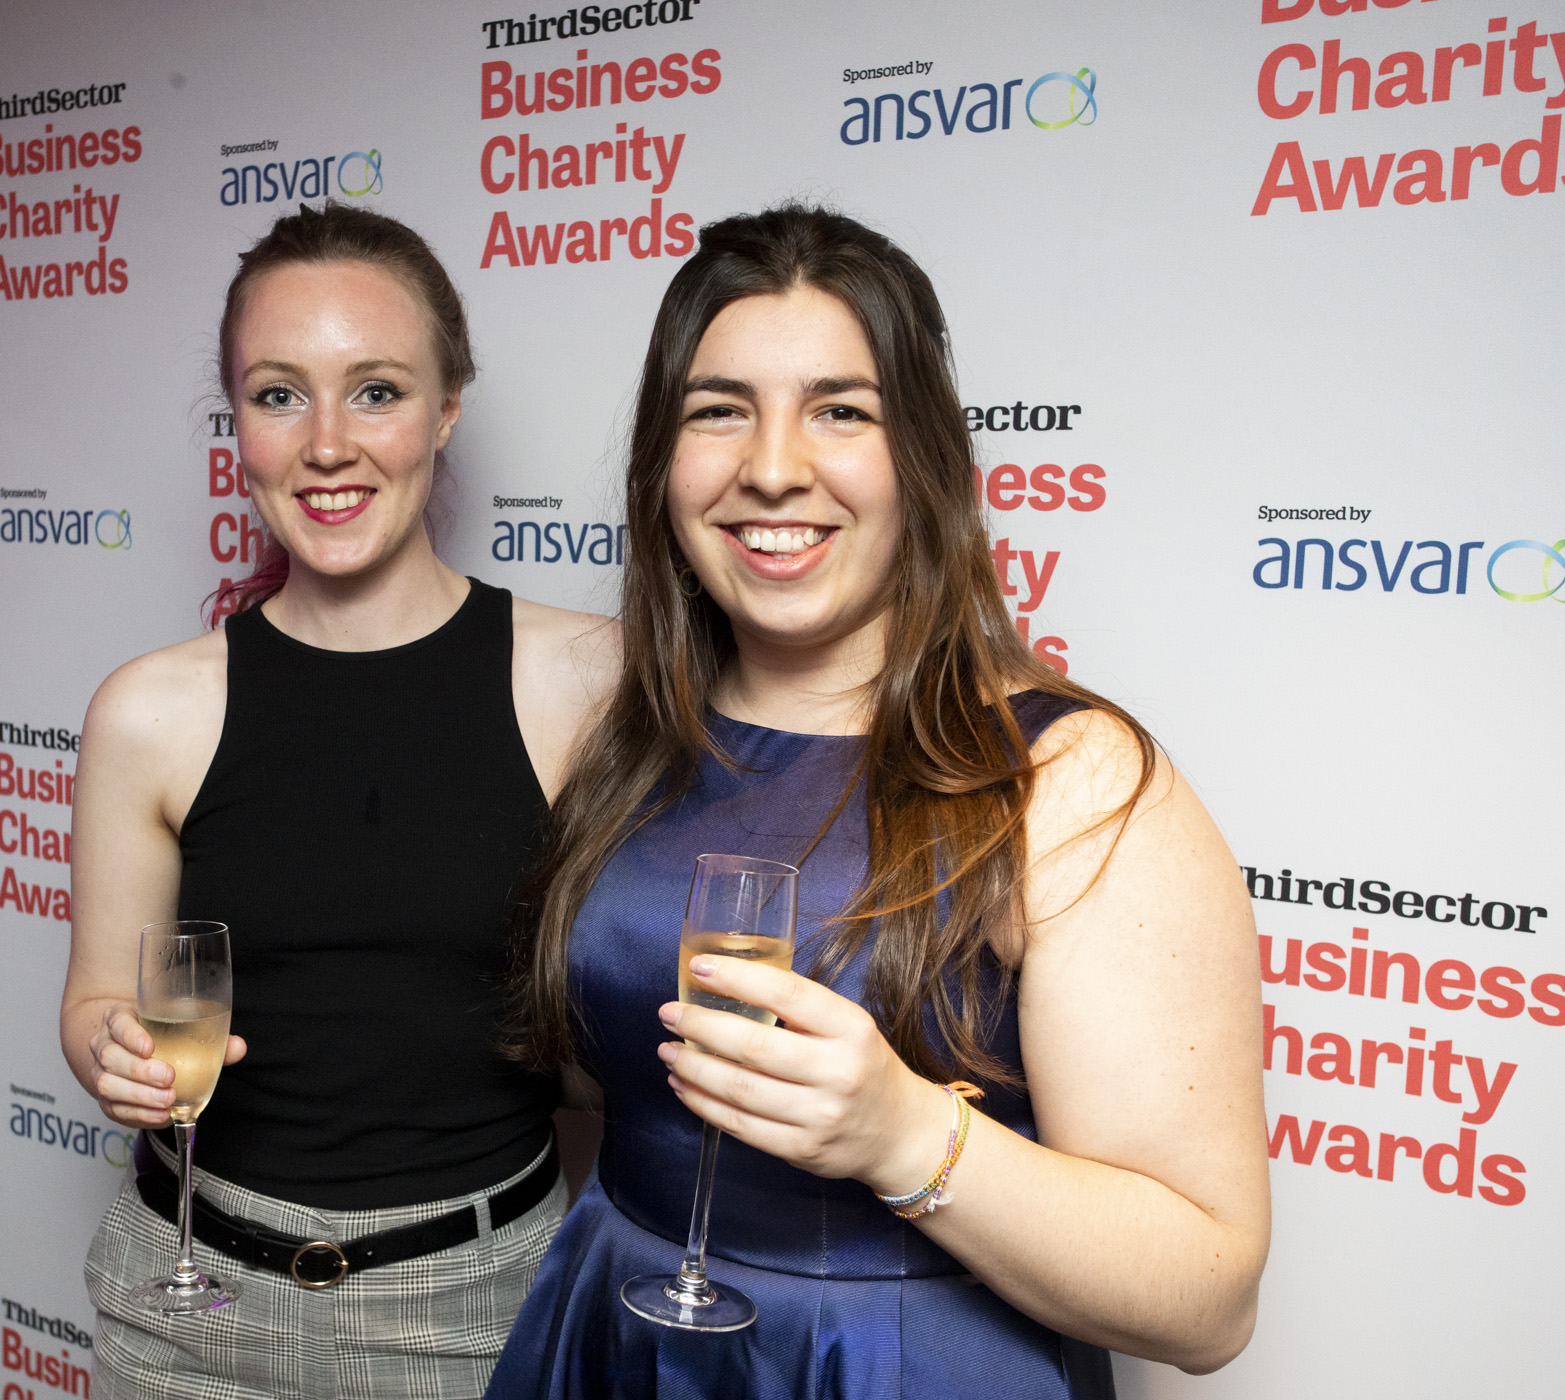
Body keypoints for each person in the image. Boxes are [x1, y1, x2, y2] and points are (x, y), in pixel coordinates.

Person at [487, 205, 1269, 1399]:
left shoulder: (1067, 775)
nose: (772, 466)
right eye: (719, 409)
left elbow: (1208, 1302)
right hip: (615, 1335)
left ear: (924, 458)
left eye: (841, 410)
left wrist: (906, 1134)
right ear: (661, 462)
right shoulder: (628, 743)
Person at [61, 202, 616, 1400]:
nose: (327, 444)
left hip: (477, 1310)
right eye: (278, 394)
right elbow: (101, 998)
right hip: (185, 1306)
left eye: (376, 391)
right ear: (237, 424)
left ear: (447, 407)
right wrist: (115, 1050)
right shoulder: (148, 709)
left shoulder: (588, 679)